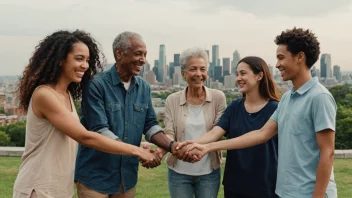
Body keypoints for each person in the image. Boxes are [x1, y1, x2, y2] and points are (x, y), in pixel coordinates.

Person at [179, 27, 337, 198]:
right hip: (286, 192)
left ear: (300, 57)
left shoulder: (319, 97)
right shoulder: (287, 99)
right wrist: (206, 147)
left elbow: (327, 153)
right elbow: (261, 134)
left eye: (281, 58)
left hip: (309, 193)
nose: (277, 64)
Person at [13, 30, 157, 198]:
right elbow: (86, 137)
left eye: (87, 60)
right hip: (37, 187)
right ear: (60, 60)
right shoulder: (44, 95)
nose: (85, 65)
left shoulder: (66, 95)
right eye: (79, 59)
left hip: (59, 188)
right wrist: (138, 151)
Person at [74, 31, 176, 198]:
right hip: (95, 175)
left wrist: (172, 146)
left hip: (126, 178)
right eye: (138, 54)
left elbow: (150, 125)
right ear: (119, 54)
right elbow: (100, 130)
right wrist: (138, 152)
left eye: (144, 55)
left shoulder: (143, 87)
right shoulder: (96, 85)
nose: (143, 59)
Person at [178, 56, 279, 198]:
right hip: (234, 185)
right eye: (237, 74)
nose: (238, 78)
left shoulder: (276, 108)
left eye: (243, 73)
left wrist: (208, 147)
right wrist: (191, 144)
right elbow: (215, 132)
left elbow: (261, 136)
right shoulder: (235, 106)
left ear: (259, 75)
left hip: (265, 186)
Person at [158, 47, 226, 198]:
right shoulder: (172, 100)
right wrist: (167, 150)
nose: (198, 74)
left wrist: (189, 148)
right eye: (193, 69)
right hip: (179, 172)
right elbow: (169, 133)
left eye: (203, 69)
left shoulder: (218, 97)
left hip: (208, 172)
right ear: (183, 73)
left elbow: (217, 132)